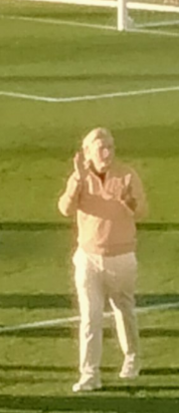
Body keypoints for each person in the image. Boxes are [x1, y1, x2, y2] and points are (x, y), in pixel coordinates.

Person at [57, 127, 146, 393]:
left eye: (110, 147)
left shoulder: (127, 175)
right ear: (87, 153)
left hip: (121, 256)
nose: (107, 153)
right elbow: (65, 209)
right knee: (90, 317)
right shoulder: (80, 179)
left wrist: (129, 201)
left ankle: (132, 358)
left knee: (124, 310)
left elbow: (142, 211)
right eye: (101, 148)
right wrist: (76, 179)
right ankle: (89, 373)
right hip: (88, 257)